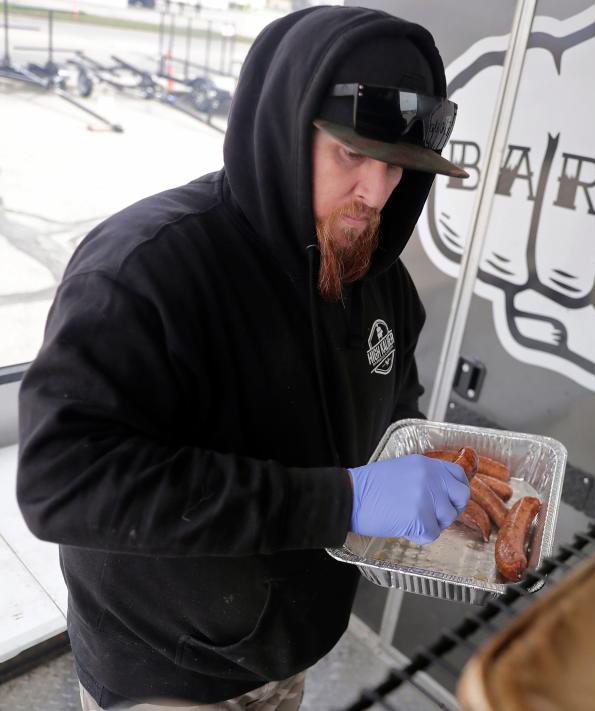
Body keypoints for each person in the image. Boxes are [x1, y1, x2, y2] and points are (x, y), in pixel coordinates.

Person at [16, 5, 472, 709]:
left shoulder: (383, 283)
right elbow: (62, 481)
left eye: (399, 166)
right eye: (351, 153)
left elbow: (393, 407)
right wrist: (345, 500)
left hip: (288, 651)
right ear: (284, 127)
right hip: (164, 668)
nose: (376, 195)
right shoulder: (147, 270)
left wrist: (417, 477)